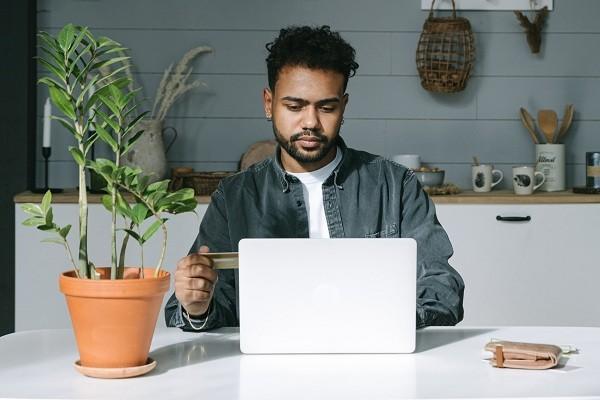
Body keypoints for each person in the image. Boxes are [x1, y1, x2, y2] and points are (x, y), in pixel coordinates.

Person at [165, 25, 464, 331]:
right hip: (269, 367)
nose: (310, 122)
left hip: (373, 361)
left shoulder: (395, 185)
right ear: (269, 104)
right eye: (294, 106)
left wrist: (382, 323)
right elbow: (202, 306)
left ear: (343, 107)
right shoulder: (235, 196)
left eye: (327, 107)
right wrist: (198, 304)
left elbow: (442, 287)